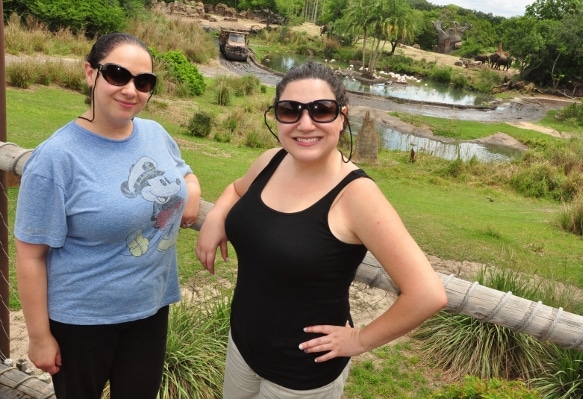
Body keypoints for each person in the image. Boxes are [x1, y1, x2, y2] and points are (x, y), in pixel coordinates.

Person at [195, 61, 447, 399]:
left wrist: (361, 339)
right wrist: (216, 217)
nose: (305, 123)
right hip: (242, 347)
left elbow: (427, 294)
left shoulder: (357, 196)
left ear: (342, 116)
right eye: (290, 110)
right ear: (277, 116)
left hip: (301, 377)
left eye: (321, 110)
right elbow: (237, 189)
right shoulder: (272, 160)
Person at [14, 32, 201, 399]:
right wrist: (38, 337)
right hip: (82, 321)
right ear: (90, 73)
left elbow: (182, 171)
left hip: (150, 309)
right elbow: (30, 255)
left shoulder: (155, 133)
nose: (131, 90)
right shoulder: (56, 158)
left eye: (143, 82)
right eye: (117, 74)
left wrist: (191, 189)